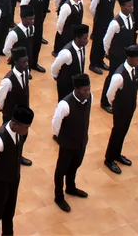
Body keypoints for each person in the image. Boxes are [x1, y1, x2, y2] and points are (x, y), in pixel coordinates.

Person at [0, 105, 34, 236]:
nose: (27, 130)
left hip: (13, 179)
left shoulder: (18, 133)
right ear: (15, 123)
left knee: (9, 212)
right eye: (26, 127)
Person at [51, 73, 91, 211]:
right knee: (61, 169)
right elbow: (55, 125)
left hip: (81, 141)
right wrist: (63, 139)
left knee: (75, 165)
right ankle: (58, 196)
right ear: (77, 89)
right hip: (67, 144)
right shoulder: (65, 105)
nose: (87, 92)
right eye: (84, 90)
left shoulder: (89, 98)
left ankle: (71, 187)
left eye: (89, 89)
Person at [104, 45, 138, 174]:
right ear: (129, 59)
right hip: (120, 109)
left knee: (123, 132)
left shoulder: (135, 68)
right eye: (137, 60)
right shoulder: (119, 76)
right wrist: (117, 106)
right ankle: (109, 159)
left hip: (130, 107)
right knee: (117, 133)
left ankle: (117, 154)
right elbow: (110, 95)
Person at [101, 0, 137, 113]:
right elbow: (106, 40)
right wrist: (108, 53)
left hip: (127, 55)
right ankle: (105, 101)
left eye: (132, 5)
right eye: (129, 5)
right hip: (116, 55)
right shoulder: (115, 23)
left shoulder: (131, 17)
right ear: (122, 6)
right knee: (112, 76)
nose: (131, 8)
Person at [0, 47, 31, 165]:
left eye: (27, 61)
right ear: (15, 62)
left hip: (22, 112)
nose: (26, 64)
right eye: (23, 62)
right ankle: (7, 158)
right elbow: (0, 97)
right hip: (11, 115)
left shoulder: (25, 73)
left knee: (22, 136)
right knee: (9, 138)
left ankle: (18, 155)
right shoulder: (8, 81)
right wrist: (4, 109)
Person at [88, 0, 117, 74]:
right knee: (97, 42)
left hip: (109, 20)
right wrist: (98, 18)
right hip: (100, 22)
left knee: (104, 41)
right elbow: (92, 8)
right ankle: (93, 64)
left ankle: (100, 60)